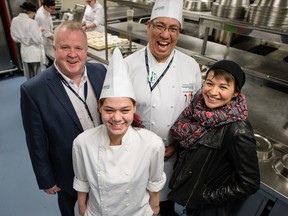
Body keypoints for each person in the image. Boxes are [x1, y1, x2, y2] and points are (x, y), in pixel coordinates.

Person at [20, 21, 107, 216]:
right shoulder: (34, 90)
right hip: (67, 168)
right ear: (54, 48)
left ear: (86, 50)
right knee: (69, 208)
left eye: (78, 48)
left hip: (104, 161)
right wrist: (46, 178)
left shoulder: (100, 72)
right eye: (65, 47)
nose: (72, 54)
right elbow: (36, 140)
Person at [124, 0, 202, 215]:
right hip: (134, 156)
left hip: (172, 157)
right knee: (134, 204)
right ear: (149, 26)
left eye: (173, 28)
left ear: (179, 32)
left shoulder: (191, 66)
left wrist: (176, 146)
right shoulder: (127, 65)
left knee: (165, 205)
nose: (165, 35)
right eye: (160, 26)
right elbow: (115, 114)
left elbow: (197, 113)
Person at [72, 47, 166, 216]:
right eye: (109, 110)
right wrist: (81, 209)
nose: (117, 118)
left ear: (134, 109)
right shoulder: (82, 142)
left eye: (124, 110)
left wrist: (154, 209)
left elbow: (154, 183)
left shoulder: (152, 144)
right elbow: (82, 182)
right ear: (99, 108)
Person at [168, 60, 260, 216]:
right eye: (210, 83)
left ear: (236, 93)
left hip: (207, 209)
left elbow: (249, 183)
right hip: (186, 199)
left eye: (223, 87)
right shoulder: (197, 110)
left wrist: (204, 196)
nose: (213, 92)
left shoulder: (238, 131)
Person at [10, 1, 46, 79]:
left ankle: (30, 89)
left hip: (25, 51)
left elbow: (15, 38)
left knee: (29, 75)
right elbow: (37, 40)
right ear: (31, 12)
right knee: (37, 74)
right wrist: (40, 31)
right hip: (34, 52)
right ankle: (37, 90)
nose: (34, 16)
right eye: (34, 14)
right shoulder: (32, 22)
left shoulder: (14, 20)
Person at [35, 0, 55, 67]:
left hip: (49, 39)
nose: (53, 10)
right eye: (52, 8)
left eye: (54, 8)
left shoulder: (46, 11)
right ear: (46, 6)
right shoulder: (41, 16)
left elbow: (49, 26)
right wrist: (58, 39)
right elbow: (47, 34)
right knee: (51, 61)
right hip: (45, 41)